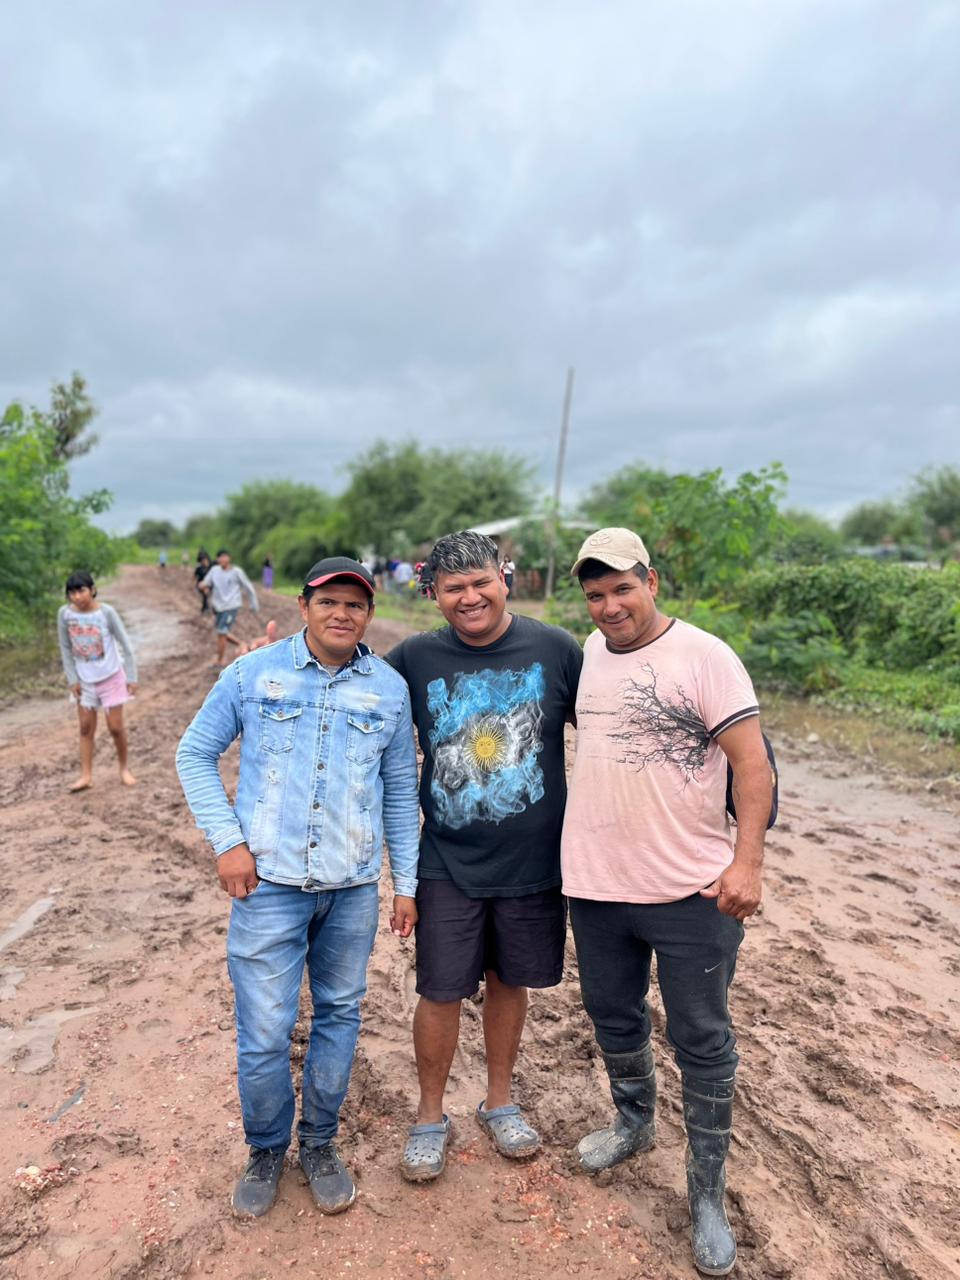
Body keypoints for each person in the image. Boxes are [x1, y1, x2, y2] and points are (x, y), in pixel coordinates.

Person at [176, 557, 420, 1219]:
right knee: (264, 1031)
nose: (342, 613)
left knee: (339, 1016)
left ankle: (319, 1143)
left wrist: (406, 883)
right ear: (304, 605)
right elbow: (194, 753)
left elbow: (401, 793)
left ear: (369, 614)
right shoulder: (253, 674)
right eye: (328, 601)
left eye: (355, 604)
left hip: (352, 889)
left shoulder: (389, 689)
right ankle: (265, 1150)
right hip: (269, 887)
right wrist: (227, 841)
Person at [560, 528, 773, 1277]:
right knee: (611, 1014)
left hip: (691, 891)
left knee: (702, 1037)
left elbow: (752, 766)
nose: (610, 606)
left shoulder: (706, 656)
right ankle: (634, 1123)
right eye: (595, 594)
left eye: (622, 588)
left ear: (651, 580)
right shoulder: (586, 655)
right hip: (595, 886)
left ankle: (706, 1193)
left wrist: (747, 862)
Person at [385, 530, 582, 1183]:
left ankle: (499, 1102)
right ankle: (429, 1117)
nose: (469, 598)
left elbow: (611, 726)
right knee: (440, 989)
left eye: (480, 583)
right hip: (447, 859)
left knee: (509, 980)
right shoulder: (412, 658)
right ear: (434, 594)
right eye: (454, 588)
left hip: (533, 861)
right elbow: (351, 695)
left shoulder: (556, 649)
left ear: (505, 579)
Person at [57, 571, 138, 792]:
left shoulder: (106, 613)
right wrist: (72, 679)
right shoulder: (65, 615)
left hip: (111, 677)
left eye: (81, 590)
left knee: (116, 728)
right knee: (85, 728)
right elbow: (65, 648)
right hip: (84, 680)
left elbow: (126, 644)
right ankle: (86, 776)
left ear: (92, 590)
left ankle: (124, 769)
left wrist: (132, 677)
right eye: (72, 592)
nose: (77, 596)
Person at [199, 548, 259, 667]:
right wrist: (202, 586)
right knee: (221, 632)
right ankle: (241, 643)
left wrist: (254, 604)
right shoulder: (214, 571)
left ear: (229, 558)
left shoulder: (236, 572)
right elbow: (205, 583)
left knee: (222, 632)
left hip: (231, 606)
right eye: (220, 557)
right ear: (217, 560)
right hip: (218, 607)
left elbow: (248, 586)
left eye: (224, 556)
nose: (222, 559)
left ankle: (220, 660)